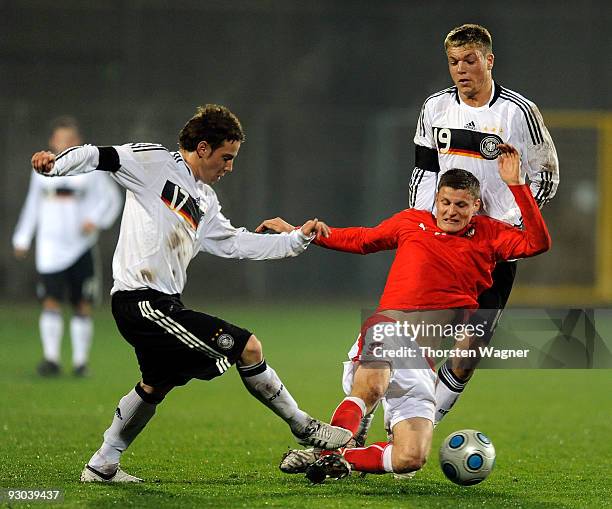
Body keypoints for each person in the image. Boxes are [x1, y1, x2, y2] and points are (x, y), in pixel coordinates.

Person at [30, 104, 352, 483]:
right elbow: (99, 156)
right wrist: (56, 165)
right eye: (225, 157)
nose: (229, 167)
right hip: (140, 300)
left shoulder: (205, 201)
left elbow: (235, 244)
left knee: (155, 385)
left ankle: (102, 464)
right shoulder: (153, 162)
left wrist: (297, 240)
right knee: (247, 347)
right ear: (202, 148)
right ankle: (304, 427)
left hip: (164, 304)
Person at [269, 144, 550, 482]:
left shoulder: (490, 235)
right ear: (436, 200)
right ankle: (325, 450)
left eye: (460, 205)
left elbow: (538, 243)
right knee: (370, 388)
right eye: (444, 202)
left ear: (475, 206)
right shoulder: (411, 223)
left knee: (411, 458)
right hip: (389, 328)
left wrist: (517, 185)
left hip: (423, 361)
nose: (450, 211)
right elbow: (363, 239)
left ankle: (341, 460)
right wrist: (301, 235)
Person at [407, 23, 559, 426]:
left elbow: (547, 175)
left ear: (488, 61)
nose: (461, 69)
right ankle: (378, 427)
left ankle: (421, 428)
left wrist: (509, 224)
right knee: (414, 342)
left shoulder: (518, 112)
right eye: (454, 62)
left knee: (468, 352)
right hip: (442, 244)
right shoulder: (435, 108)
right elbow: (424, 172)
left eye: (470, 60)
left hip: (491, 250)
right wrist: (427, 226)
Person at [13, 117, 122, 377]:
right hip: (50, 248)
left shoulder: (89, 168)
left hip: (80, 246)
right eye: (61, 139)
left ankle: (80, 362)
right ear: (53, 141)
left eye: (70, 139)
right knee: (50, 301)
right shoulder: (41, 169)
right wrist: (22, 237)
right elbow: (33, 205)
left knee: (81, 303)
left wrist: (95, 220)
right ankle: (51, 359)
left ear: (78, 141)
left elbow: (112, 199)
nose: (65, 144)